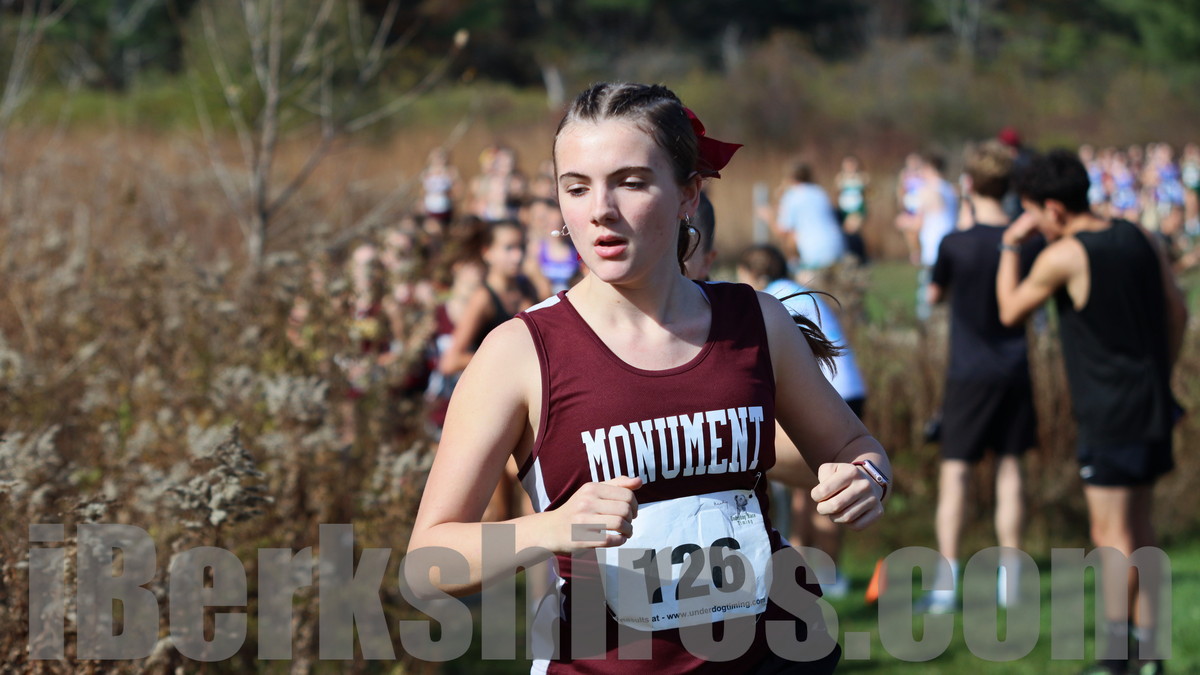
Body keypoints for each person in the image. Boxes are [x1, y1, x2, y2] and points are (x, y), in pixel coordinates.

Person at [407, 81, 890, 673]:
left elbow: (853, 446)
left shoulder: (757, 321)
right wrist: (549, 528)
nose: (600, 210)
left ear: (688, 193)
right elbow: (427, 561)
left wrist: (866, 478)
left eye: (630, 182)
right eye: (576, 187)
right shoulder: (519, 352)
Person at [997, 149, 1187, 675]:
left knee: (1111, 537)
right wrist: (1161, 375)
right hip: (1151, 403)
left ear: (1054, 209)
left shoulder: (1065, 255)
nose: (1031, 223)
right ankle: (1150, 653)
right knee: (1141, 530)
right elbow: (1178, 310)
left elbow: (1010, 310)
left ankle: (1116, 656)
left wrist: (1010, 246)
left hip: (1109, 412)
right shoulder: (1139, 235)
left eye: (1032, 212)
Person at [923, 141, 1042, 614]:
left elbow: (933, 296)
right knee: (1011, 470)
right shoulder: (1024, 241)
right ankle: (1009, 583)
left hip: (968, 372)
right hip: (1014, 368)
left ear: (968, 184)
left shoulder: (954, 243)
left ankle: (946, 585)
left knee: (955, 473)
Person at [734, 244, 868, 600]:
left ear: (755, 274)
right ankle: (807, 568)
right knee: (805, 490)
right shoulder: (793, 291)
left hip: (831, 396)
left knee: (825, 483)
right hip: (847, 391)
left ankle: (829, 574)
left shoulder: (774, 300)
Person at [758, 160, 845, 282]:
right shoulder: (820, 192)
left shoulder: (792, 196)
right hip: (839, 249)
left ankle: (796, 269)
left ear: (789, 178)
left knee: (791, 238)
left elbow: (782, 231)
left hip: (815, 255)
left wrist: (769, 217)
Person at [914, 153, 959, 321]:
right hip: (952, 248)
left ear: (929, 168)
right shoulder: (951, 189)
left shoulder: (927, 190)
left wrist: (904, 222)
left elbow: (918, 222)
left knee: (927, 297)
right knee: (948, 297)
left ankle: (925, 329)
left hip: (934, 251)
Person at [834, 155, 870, 264]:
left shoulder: (862, 177)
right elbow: (837, 193)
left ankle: (860, 256)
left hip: (857, 209)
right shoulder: (840, 178)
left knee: (853, 230)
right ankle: (852, 256)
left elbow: (869, 193)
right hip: (845, 209)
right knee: (847, 233)